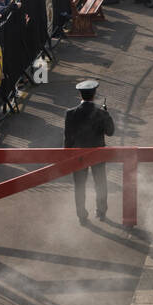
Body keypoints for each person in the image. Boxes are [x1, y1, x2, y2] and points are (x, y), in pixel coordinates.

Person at [63, 79, 116, 223]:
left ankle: (81, 215)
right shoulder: (100, 113)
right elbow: (110, 132)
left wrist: (67, 157)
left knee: (79, 186)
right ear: (94, 94)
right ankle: (101, 212)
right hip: (97, 155)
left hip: (78, 155)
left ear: (80, 94)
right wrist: (107, 114)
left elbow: (68, 138)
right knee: (100, 183)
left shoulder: (70, 114)